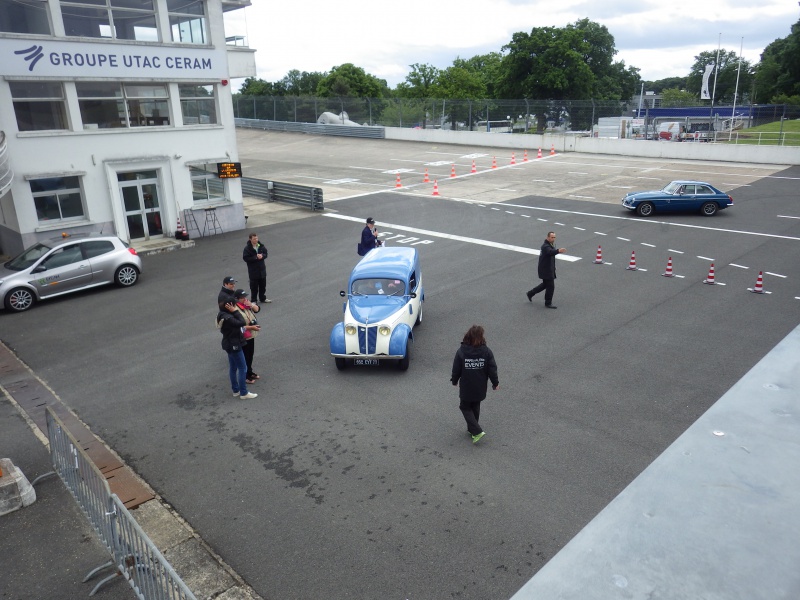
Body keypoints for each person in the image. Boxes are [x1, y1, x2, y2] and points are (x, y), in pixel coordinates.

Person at [451, 325, 499, 444]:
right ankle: (472, 429)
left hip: (467, 386)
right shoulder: (486, 351)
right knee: (475, 405)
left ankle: (476, 431)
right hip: (480, 386)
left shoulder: (462, 351)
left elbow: (456, 368)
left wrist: (454, 380)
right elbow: (492, 369)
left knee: (464, 406)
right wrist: (495, 383)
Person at [217, 299, 258, 399]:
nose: (235, 307)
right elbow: (241, 322)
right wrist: (235, 311)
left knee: (233, 367)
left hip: (228, 343)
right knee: (243, 368)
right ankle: (244, 393)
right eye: (233, 305)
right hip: (234, 344)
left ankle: (236, 390)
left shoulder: (221, 315)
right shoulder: (229, 318)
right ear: (229, 306)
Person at [526, 231, 566, 309]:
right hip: (545, 270)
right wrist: (558, 251)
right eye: (552, 237)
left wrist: (553, 267)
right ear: (547, 237)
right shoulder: (545, 246)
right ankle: (548, 302)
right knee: (551, 286)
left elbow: (550, 256)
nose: (553, 239)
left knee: (545, 285)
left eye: (554, 237)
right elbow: (550, 252)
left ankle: (530, 293)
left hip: (547, 269)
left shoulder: (550, 245)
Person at [232, 288, 262, 384]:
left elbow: (257, 309)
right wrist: (251, 327)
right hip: (243, 336)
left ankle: (249, 371)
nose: (245, 299)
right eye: (242, 298)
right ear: (236, 299)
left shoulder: (246, 304)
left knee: (250, 355)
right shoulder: (235, 310)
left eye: (245, 297)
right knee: (245, 356)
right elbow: (238, 326)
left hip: (251, 334)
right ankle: (246, 376)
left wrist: (251, 305)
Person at [243, 233, 270, 304]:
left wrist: (262, 256)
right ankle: (254, 300)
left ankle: (262, 298)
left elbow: (266, 253)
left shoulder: (261, 246)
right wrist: (255, 257)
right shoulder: (247, 249)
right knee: (254, 287)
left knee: (263, 285)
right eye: (254, 239)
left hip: (262, 270)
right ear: (250, 239)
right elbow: (245, 258)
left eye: (257, 238)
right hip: (253, 271)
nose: (256, 240)